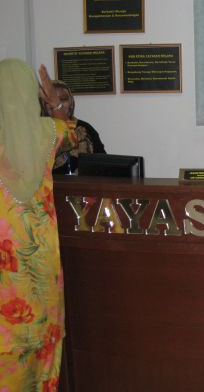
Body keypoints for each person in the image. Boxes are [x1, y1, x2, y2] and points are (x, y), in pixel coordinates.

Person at [0, 58, 77, 390]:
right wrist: (54, 103)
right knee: (43, 346)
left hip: (6, 266)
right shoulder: (49, 134)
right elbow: (71, 132)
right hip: (41, 259)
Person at [41, 80, 106, 174]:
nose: (58, 104)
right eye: (52, 100)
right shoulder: (38, 131)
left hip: (84, 183)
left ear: (71, 102)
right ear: (44, 104)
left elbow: (103, 162)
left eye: (63, 99)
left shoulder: (85, 129)